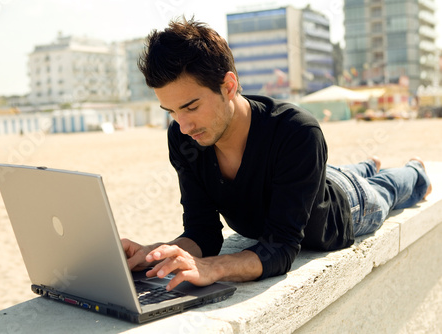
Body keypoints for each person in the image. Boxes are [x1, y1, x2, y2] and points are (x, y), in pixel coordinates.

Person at [122, 18, 432, 291]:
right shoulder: (183, 137)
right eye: (172, 111)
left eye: (191, 107)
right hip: (305, 178)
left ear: (228, 86)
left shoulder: (297, 132)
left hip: (345, 207)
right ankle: (365, 165)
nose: (184, 125)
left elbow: (282, 247)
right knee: (338, 171)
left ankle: (413, 170)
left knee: (385, 189)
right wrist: (156, 254)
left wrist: (214, 268)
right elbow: (202, 233)